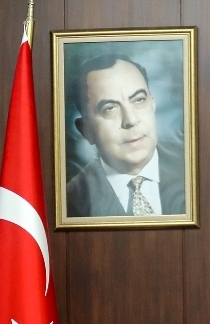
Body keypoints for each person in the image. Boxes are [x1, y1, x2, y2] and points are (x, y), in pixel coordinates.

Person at [66, 54, 185, 217]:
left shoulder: (197, 166)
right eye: (110, 108)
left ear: (153, 104)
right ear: (86, 130)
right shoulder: (70, 202)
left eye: (139, 100)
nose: (131, 120)